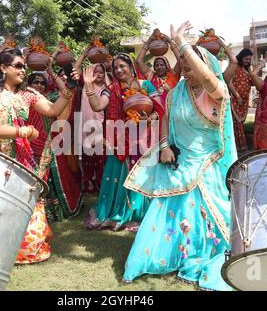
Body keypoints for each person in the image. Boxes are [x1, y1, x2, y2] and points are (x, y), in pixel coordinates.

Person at [122, 21, 237, 291]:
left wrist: (181, 43)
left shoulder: (217, 92)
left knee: (200, 212)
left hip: (207, 164)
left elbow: (208, 79)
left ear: (205, 65)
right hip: (179, 162)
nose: (184, 63)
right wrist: (163, 146)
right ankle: (171, 256)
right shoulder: (175, 93)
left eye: (190, 60)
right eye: (182, 60)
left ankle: (199, 256)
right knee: (170, 210)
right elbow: (165, 120)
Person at [0, 48, 72, 264]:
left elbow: (53, 110)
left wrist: (70, 87)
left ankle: (20, 249)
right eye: (18, 65)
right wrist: (23, 131)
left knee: (26, 202)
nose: (23, 69)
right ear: (3, 68)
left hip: (20, 157)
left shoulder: (27, 94)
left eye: (24, 65)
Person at [84, 53, 164, 231]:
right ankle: (121, 212)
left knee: (142, 174)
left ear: (131, 67)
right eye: (116, 68)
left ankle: (138, 212)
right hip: (119, 139)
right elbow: (98, 106)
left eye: (122, 66)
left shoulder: (146, 85)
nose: (119, 70)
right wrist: (89, 86)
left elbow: (160, 108)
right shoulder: (111, 89)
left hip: (144, 137)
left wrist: (149, 119)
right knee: (119, 174)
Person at [26, 53, 82, 221]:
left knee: (52, 175)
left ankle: (52, 211)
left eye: (42, 82)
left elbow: (67, 93)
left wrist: (51, 71)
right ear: (28, 84)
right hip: (29, 142)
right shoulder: (22, 97)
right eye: (35, 82)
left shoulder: (51, 98)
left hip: (50, 141)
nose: (39, 85)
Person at [73, 47, 109, 194]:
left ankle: (101, 188)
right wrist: (85, 53)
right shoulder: (85, 84)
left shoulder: (108, 88)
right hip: (85, 127)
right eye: (95, 72)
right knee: (87, 160)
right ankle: (87, 186)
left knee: (101, 160)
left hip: (102, 127)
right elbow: (75, 69)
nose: (98, 74)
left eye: (101, 72)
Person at [136, 31, 181, 110]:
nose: (159, 67)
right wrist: (149, 41)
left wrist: (170, 42)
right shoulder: (151, 76)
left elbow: (181, 60)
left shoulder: (173, 74)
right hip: (154, 115)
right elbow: (139, 61)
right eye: (156, 65)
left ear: (167, 66)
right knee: (149, 123)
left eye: (162, 65)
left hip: (173, 113)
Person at [228, 49, 253, 151]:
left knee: (240, 123)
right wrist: (237, 95)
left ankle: (239, 146)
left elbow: (251, 81)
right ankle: (236, 147)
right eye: (246, 59)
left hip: (244, 100)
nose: (248, 61)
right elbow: (228, 81)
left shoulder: (247, 69)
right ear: (241, 57)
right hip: (235, 98)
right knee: (235, 123)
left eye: (249, 59)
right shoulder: (234, 67)